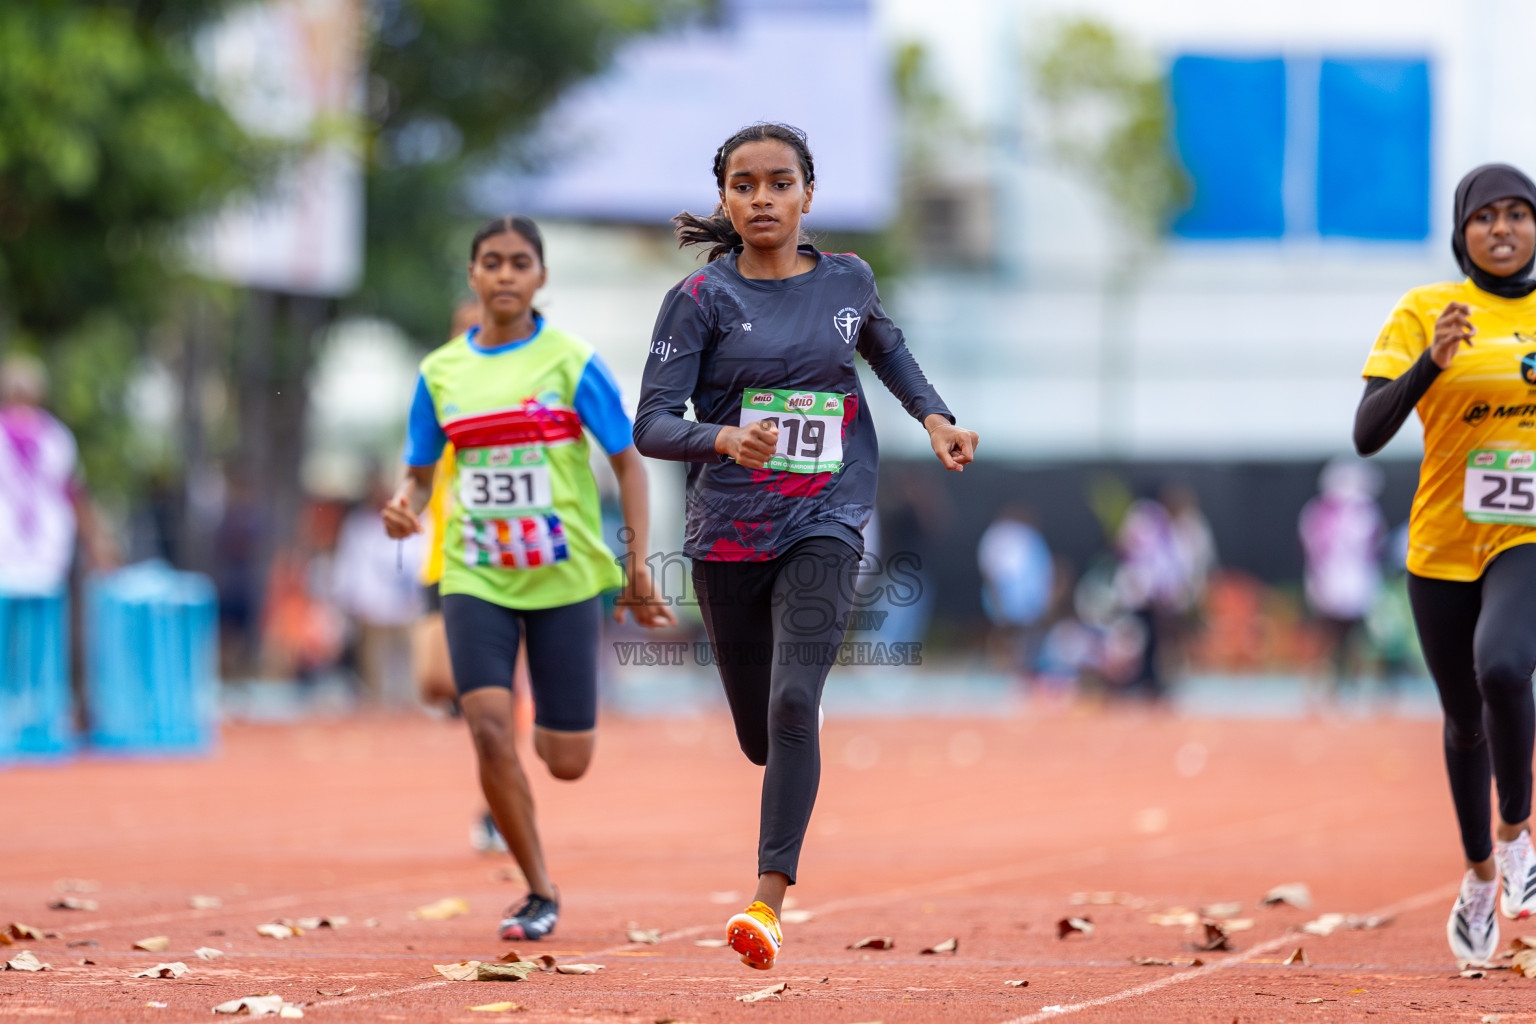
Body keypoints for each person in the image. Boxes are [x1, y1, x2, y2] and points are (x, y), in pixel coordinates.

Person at [633, 122, 979, 971]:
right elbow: (652, 424)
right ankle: (794, 712)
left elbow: (888, 350)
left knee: (792, 705)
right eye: (744, 185)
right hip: (728, 532)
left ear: (808, 195)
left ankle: (767, 901)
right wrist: (721, 439)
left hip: (827, 514)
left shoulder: (848, 280)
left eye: (779, 183)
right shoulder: (698, 299)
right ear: (725, 198)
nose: (762, 199)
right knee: (763, 736)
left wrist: (934, 418)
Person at [383, 215, 675, 941]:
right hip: (474, 573)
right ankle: (539, 889)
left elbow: (628, 463)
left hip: (564, 578)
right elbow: (420, 472)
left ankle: (552, 742)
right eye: (492, 262)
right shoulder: (441, 373)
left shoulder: (571, 362)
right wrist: (405, 503)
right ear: (473, 275)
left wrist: (637, 564)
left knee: (566, 759)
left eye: (520, 262)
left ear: (541, 276)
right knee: (487, 728)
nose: (506, 275)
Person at [1355, 164, 1536, 966]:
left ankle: (1517, 831)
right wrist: (1429, 361)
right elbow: (1367, 432)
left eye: (1518, 214)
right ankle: (1479, 876)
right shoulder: (1425, 309)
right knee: (1463, 719)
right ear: (1463, 233)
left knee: (1504, 667)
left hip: (1525, 536)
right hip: (1442, 546)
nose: (1502, 229)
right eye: (1485, 217)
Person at [0, 354, 116, 595]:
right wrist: (97, 545)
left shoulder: (55, 437)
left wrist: (97, 545)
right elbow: (76, 496)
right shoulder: (56, 435)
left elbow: (75, 496)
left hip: (42, 558)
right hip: (43, 558)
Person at [1297, 458, 1386, 693]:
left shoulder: (1321, 511)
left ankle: (1350, 684)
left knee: (1352, 638)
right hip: (1342, 584)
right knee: (1335, 637)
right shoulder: (1357, 512)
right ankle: (1330, 685)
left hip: (1347, 584)